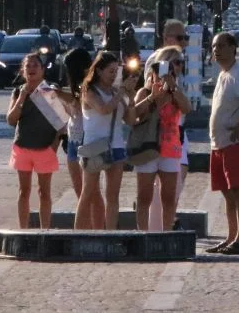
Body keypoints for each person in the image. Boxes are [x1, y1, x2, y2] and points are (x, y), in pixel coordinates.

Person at [207, 31, 239, 255]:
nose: (216, 50)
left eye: (220, 45)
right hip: (220, 144)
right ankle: (231, 237)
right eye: (213, 46)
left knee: (238, 190)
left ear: (232, 48)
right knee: (227, 193)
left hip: (236, 143)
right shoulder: (223, 74)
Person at [132, 44, 191, 232]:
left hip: (170, 148)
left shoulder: (176, 91)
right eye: (174, 63)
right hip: (147, 147)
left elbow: (187, 108)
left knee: (169, 197)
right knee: (144, 196)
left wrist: (172, 89)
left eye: (180, 63)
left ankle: (166, 234)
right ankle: (142, 235)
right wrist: (152, 96)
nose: (178, 67)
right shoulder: (145, 91)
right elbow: (133, 115)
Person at [76, 51, 134, 230]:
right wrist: (121, 93)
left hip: (116, 146)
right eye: (110, 71)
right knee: (89, 192)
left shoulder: (116, 91)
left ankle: (110, 234)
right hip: (94, 147)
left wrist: (130, 96)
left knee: (113, 196)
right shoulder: (89, 91)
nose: (114, 75)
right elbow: (104, 109)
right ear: (99, 71)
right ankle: (78, 234)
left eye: (116, 71)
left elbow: (130, 120)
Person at [5, 53, 62, 229]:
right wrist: (22, 97)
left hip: (44, 148)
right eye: (28, 66)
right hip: (23, 147)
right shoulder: (18, 91)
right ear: (23, 70)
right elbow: (11, 120)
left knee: (44, 192)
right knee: (24, 191)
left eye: (35, 65)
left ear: (43, 70)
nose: (31, 69)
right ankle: (24, 229)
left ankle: (45, 230)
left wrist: (53, 147)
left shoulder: (48, 91)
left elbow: (61, 125)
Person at [60, 47, 94, 206]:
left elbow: (80, 104)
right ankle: (88, 227)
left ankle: (94, 227)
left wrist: (59, 94)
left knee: (90, 193)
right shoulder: (74, 86)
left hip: (86, 139)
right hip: (72, 138)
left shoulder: (90, 85)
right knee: (80, 192)